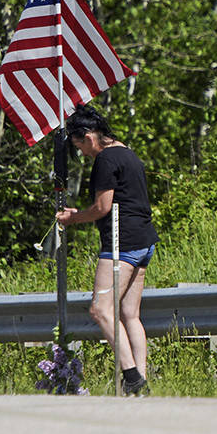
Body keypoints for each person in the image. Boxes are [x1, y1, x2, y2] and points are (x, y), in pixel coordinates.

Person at [56, 104, 159, 395]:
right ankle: (141, 386)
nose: (83, 154)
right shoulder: (128, 153)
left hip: (121, 244)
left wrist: (72, 218)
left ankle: (132, 377)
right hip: (144, 242)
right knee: (130, 314)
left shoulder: (105, 159)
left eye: (79, 147)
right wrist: (81, 213)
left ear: (88, 137)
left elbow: (102, 208)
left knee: (100, 310)